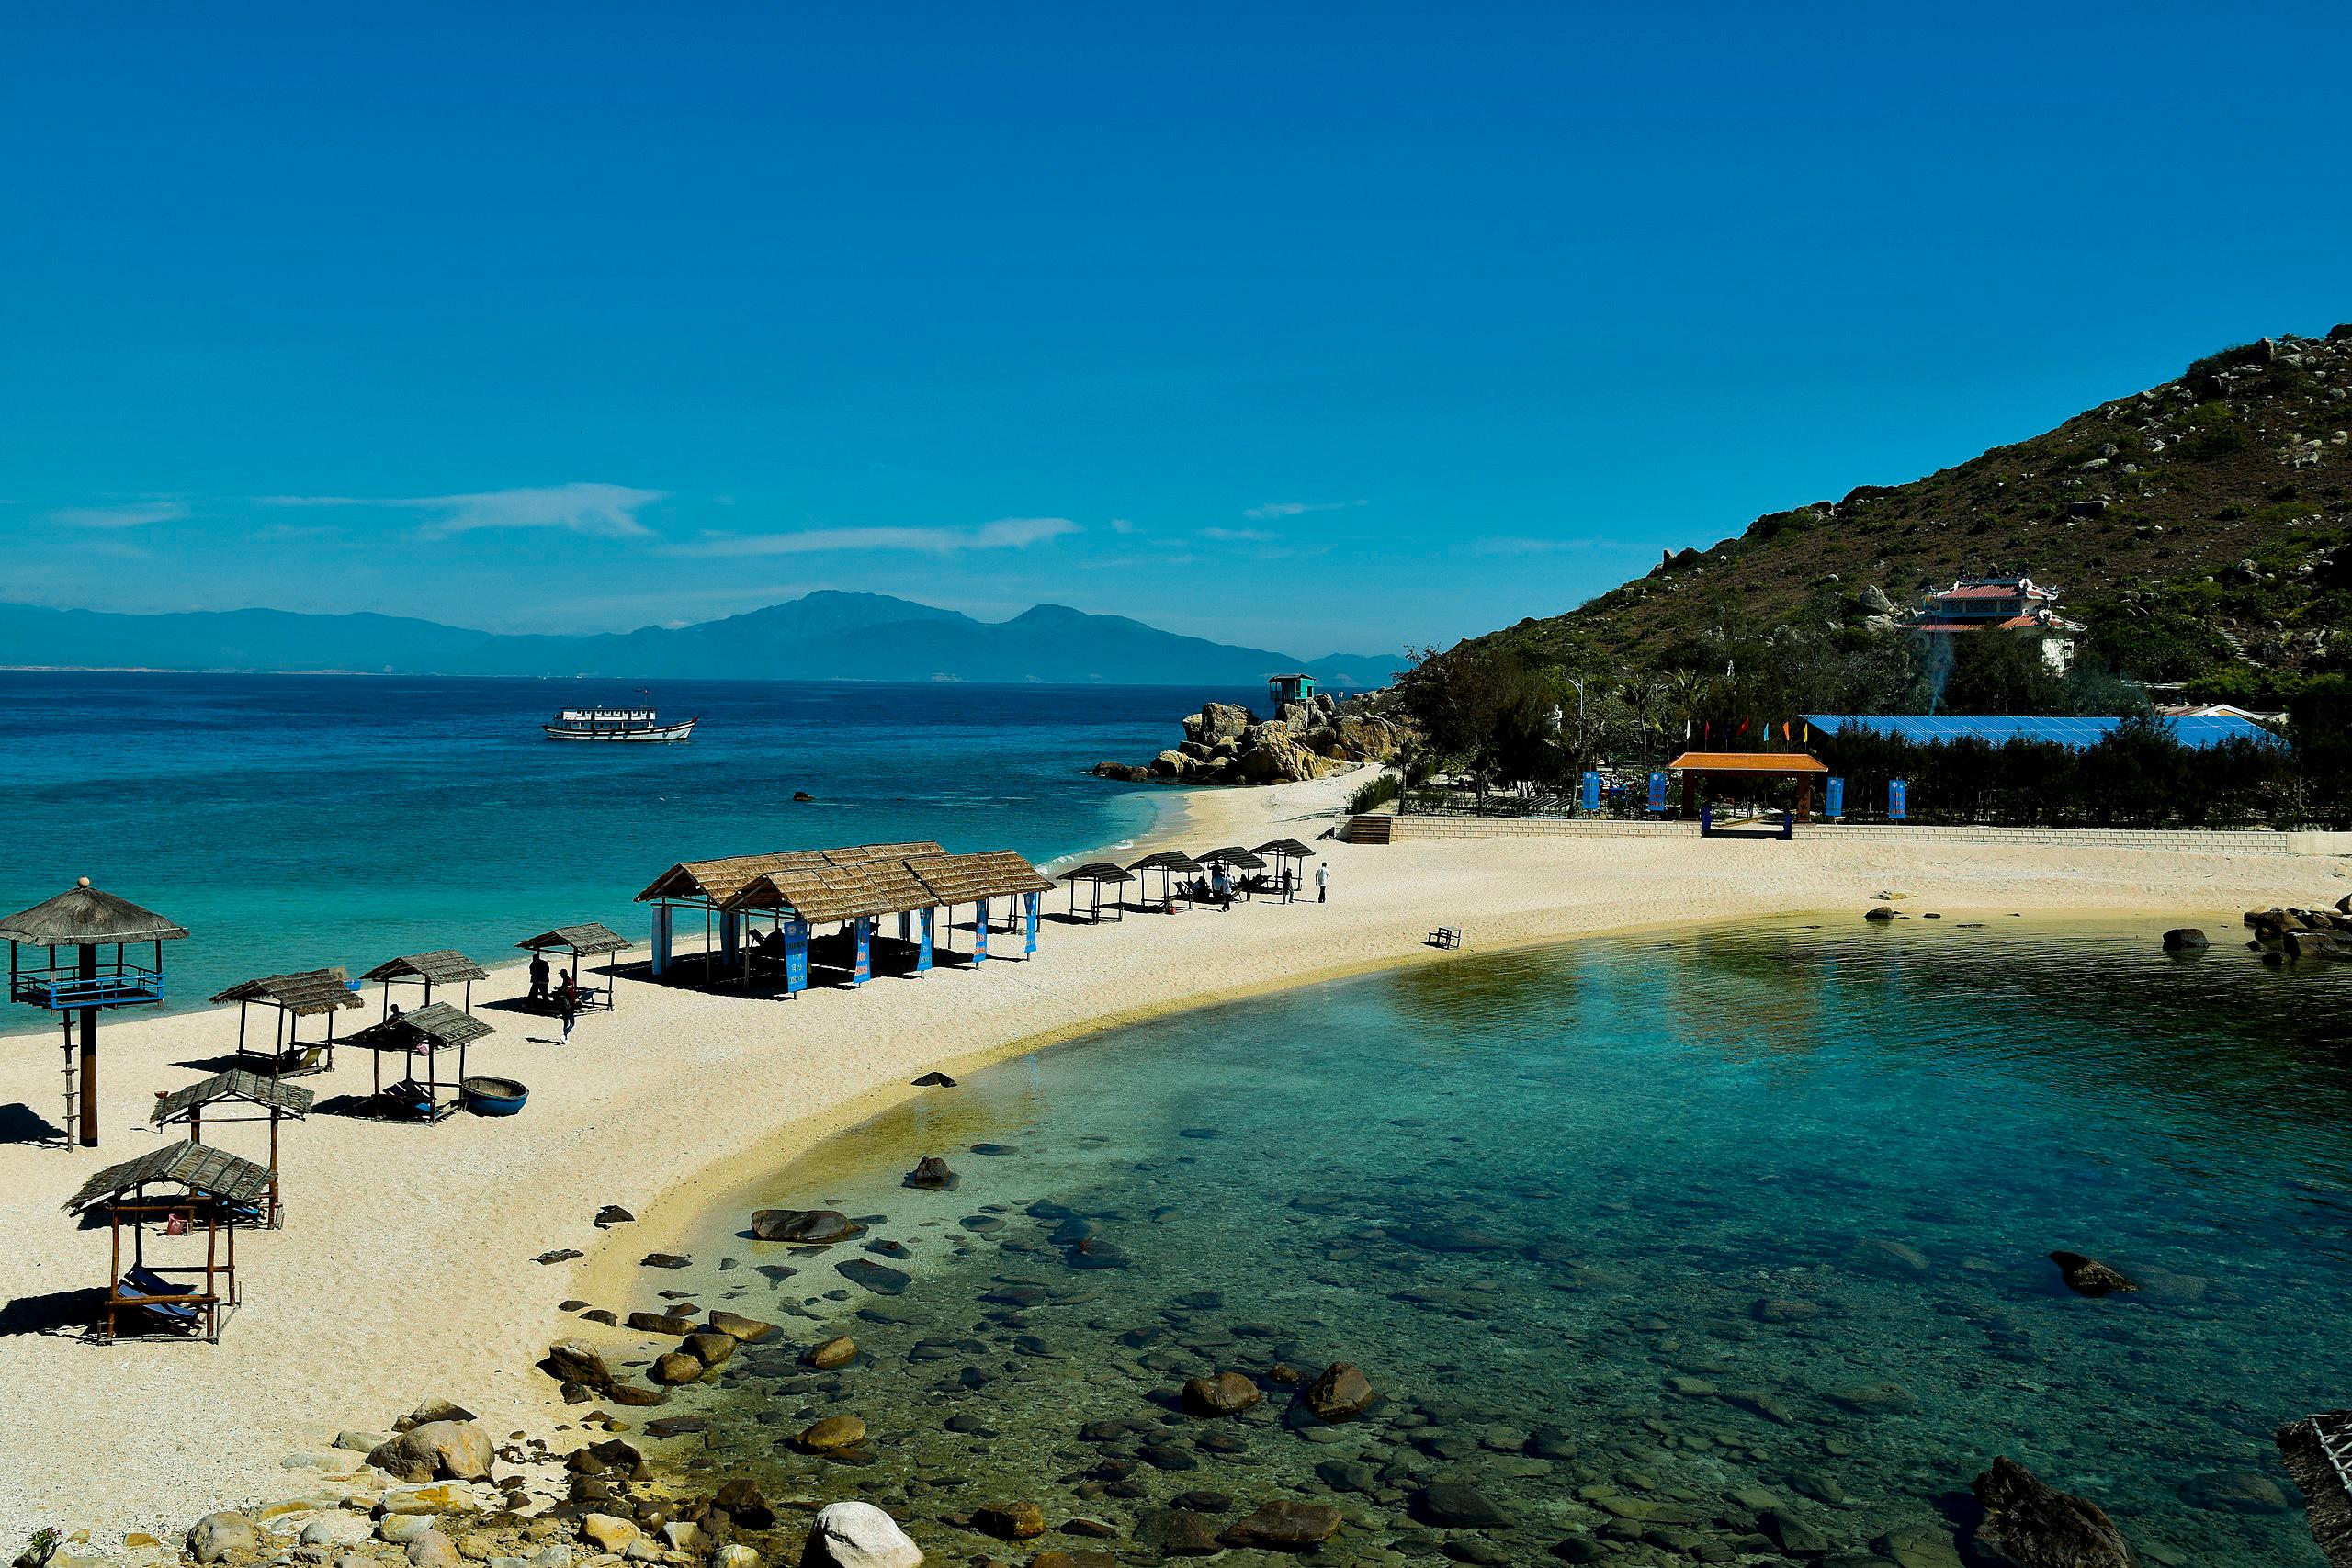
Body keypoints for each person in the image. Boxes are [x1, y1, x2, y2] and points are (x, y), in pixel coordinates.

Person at [557, 972, 579, 1042]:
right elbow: (572, 1000)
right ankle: (564, 1035)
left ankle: (565, 1038)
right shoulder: (570, 991)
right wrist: (576, 1001)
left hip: (563, 1008)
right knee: (572, 1023)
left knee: (565, 1023)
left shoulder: (563, 990)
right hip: (569, 1008)